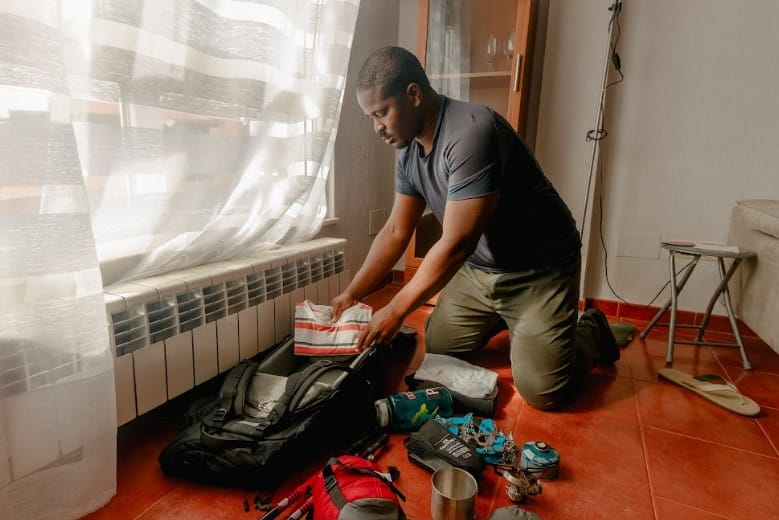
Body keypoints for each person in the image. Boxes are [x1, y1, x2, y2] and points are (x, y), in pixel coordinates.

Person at [330, 46, 619, 411]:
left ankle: (591, 329)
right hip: (482, 271)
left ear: (414, 95)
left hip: (538, 269)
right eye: (371, 116)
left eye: (381, 113)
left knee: (544, 390)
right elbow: (394, 232)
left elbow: (456, 243)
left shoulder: (471, 132)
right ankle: (510, 319)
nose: (377, 128)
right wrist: (352, 293)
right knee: (440, 346)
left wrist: (395, 309)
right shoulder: (407, 151)